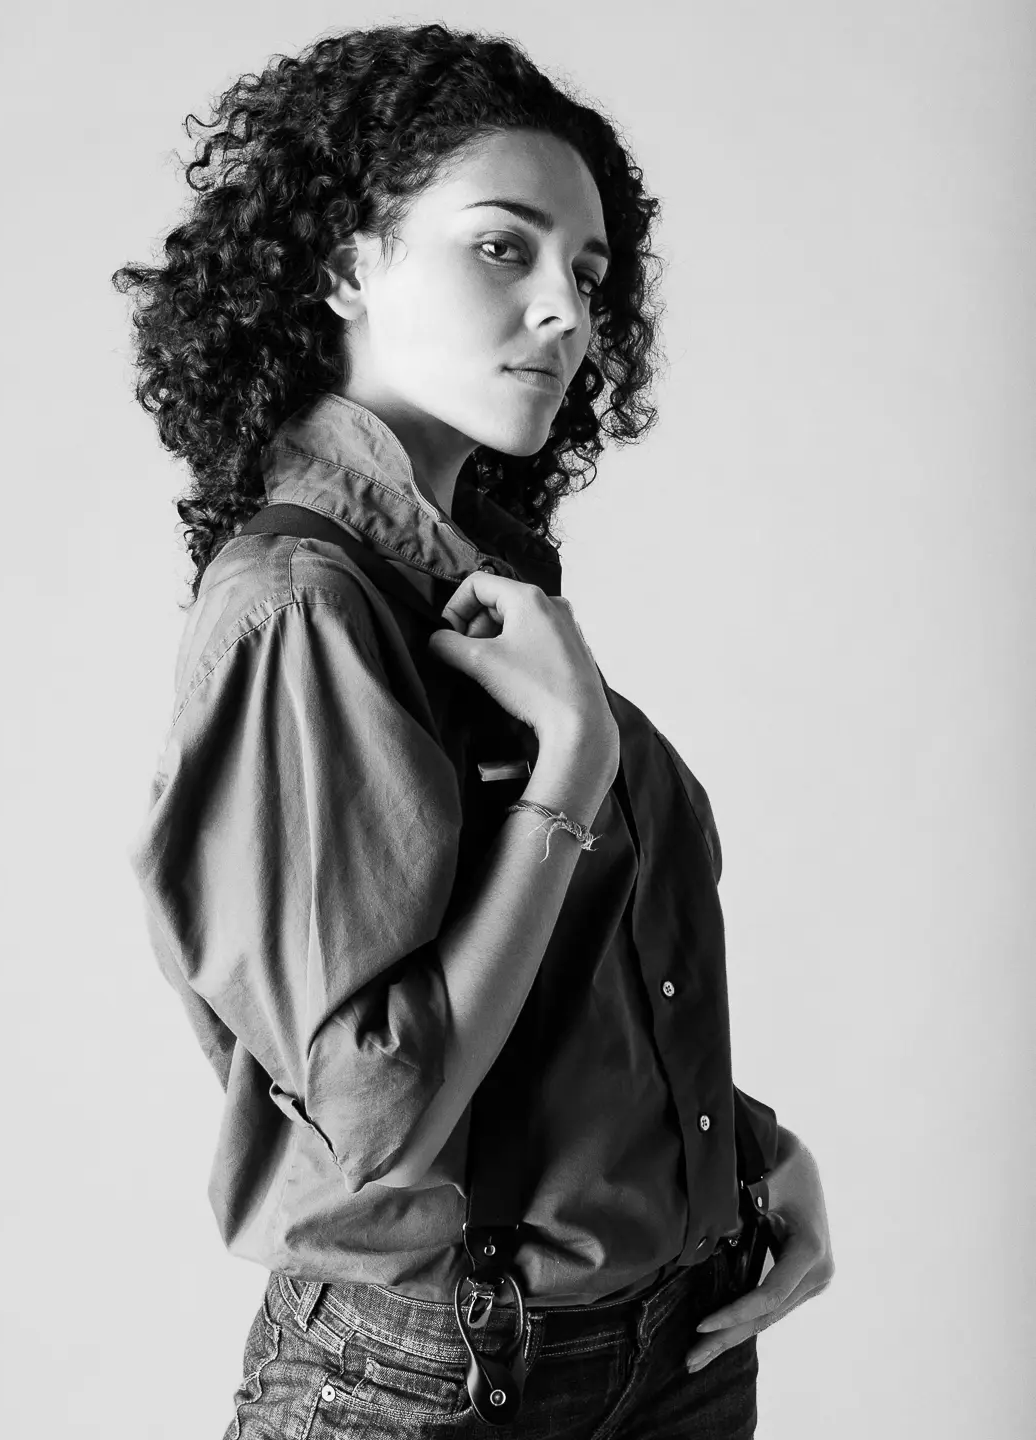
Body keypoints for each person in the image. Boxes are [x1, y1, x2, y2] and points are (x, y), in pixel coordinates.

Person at [116, 22, 834, 1439]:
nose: (565, 310)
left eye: (589, 274)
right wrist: (572, 770)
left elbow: (565, 998)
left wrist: (751, 1156)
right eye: (504, 248)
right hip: (445, 1383)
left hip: (675, 1345)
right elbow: (377, 1116)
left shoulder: (471, 582)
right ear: (344, 268)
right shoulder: (302, 608)